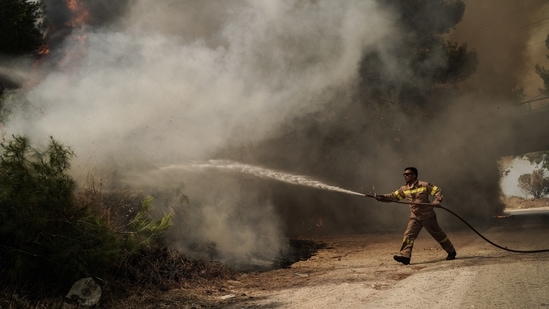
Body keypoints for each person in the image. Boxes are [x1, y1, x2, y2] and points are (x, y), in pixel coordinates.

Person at [375, 167, 456, 265]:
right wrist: (380, 197)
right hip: (415, 217)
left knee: (438, 234)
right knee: (408, 235)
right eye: (404, 174)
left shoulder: (424, 185)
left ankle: (451, 251)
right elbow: (394, 197)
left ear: (414, 175)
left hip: (427, 215)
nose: (405, 176)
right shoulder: (404, 189)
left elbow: (437, 190)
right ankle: (405, 256)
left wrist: (437, 201)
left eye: (407, 174)